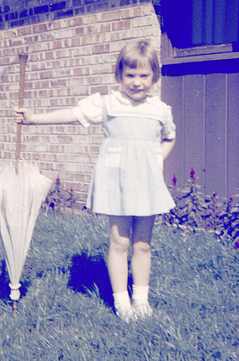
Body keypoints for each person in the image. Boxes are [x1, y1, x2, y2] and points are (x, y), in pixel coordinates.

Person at [15, 40, 176, 322]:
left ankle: (141, 301)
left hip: (147, 183)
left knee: (143, 244)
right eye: (130, 75)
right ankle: (122, 302)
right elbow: (73, 115)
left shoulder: (160, 109)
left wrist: (158, 159)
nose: (136, 82)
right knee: (119, 241)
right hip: (118, 182)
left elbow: (169, 136)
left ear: (154, 77)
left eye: (143, 76)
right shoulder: (108, 103)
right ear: (119, 75)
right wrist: (33, 119)